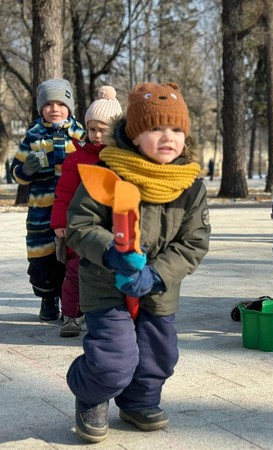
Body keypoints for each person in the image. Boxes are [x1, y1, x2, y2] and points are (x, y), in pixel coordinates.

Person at [65, 82, 211, 443]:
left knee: (159, 356)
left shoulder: (189, 185)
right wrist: (111, 254)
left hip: (158, 290)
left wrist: (157, 274)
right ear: (133, 134)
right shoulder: (108, 174)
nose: (168, 137)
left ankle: (139, 401)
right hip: (105, 284)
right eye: (156, 128)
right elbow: (78, 226)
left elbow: (194, 241)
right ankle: (91, 394)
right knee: (114, 359)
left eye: (176, 129)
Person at [10, 78, 86, 321]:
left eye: (61, 104)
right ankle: (47, 298)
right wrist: (26, 170)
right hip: (41, 212)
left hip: (72, 211)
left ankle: (70, 300)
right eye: (49, 104)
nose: (55, 109)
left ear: (70, 108)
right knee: (42, 258)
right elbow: (16, 171)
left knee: (71, 257)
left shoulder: (80, 136)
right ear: (41, 108)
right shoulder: (33, 137)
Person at [50, 86, 123, 337]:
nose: (96, 134)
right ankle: (71, 314)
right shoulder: (76, 160)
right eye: (92, 128)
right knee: (75, 274)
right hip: (79, 231)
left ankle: (108, 314)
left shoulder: (122, 159)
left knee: (110, 275)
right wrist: (60, 223)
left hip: (112, 230)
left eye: (103, 129)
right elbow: (64, 194)